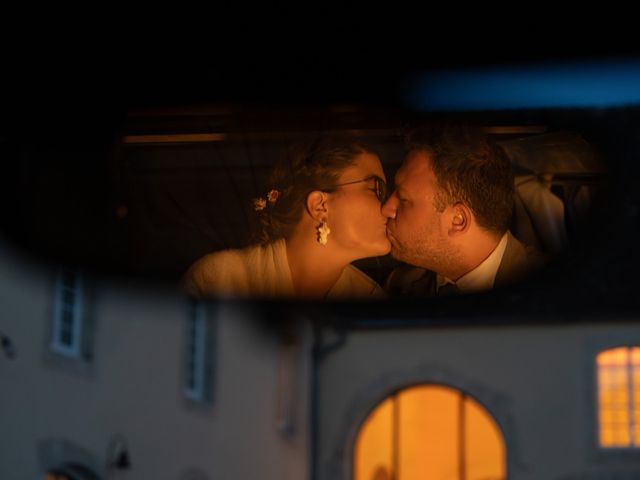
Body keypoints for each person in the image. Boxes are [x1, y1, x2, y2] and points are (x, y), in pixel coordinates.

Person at [182, 135, 391, 299]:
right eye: (377, 189)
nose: (390, 206)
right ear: (320, 206)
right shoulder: (218, 281)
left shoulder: (370, 298)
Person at [382, 123, 547, 297]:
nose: (386, 209)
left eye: (403, 198)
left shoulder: (554, 295)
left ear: (458, 220)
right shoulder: (399, 284)